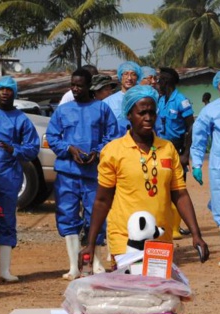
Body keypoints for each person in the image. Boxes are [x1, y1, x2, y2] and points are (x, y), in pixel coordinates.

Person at [80, 85, 209, 265]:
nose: (148, 118)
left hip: (160, 238)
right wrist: (91, 243)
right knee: (130, 282)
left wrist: (196, 234)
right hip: (125, 239)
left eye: (152, 112)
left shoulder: (167, 149)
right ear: (129, 115)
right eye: (142, 113)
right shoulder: (113, 151)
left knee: (156, 284)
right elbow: (102, 200)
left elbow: (180, 194)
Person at [46, 68, 119, 279]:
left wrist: (97, 151)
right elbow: (52, 136)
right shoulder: (63, 110)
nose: (75, 89)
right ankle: (73, 266)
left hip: (94, 173)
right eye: (73, 85)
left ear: (89, 86)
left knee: (95, 214)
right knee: (67, 215)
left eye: (80, 85)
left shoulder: (102, 109)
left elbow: (112, 136)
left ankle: (96, 262)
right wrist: (69, 149)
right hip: (67, 172)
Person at [0, 76, 40, 282]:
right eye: (1, 89)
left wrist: (14, 149)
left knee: (7, 219)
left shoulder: (21, 120)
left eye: (8, 89)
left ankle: (4, 270)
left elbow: (32, 148)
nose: (4, 92)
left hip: (9, 176)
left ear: (14, 93)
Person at [191, 68, 220, 267]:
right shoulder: (210, 110)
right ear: (217, 86)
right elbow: (199, 137)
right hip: (219, 164)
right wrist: (196, 163)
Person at [156, 67, 195, 240]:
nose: (157, 83)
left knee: (177, 188)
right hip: (160, 147)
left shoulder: (181, 100)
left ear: (166, 81)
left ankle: (175, 228)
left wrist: (186, 153)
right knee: (160, 185)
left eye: (159, 80)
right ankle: (164, 224)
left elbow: (191, 127)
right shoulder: (160, 100)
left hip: (177, 148)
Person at [103, 61, 142, 134]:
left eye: (133, 74)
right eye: (126, 74)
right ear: (121, 77)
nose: (129, 78)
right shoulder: (108, 102)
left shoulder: (143, 99)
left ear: (137, 78)